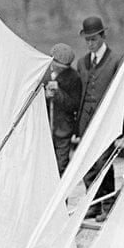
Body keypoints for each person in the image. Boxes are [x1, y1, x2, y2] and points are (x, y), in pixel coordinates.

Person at [75, 16, 119, 140]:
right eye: (87, 40)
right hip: (85, 118)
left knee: (103, 156)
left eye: (93, 39)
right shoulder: (82, 63)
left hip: (106, 117)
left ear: (103, 37)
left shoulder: (116, 61)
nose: (90, 44)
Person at [43, 43, 83, 175]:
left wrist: (58, 93)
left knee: (61, 166)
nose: (59, 70)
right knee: (43, 165)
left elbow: (74, 104)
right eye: (57, 67)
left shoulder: (74, 77)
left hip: (63, 129)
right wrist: (45, 96)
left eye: (63, 69)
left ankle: (61, 196)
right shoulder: (44, 73)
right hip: (44, 129)